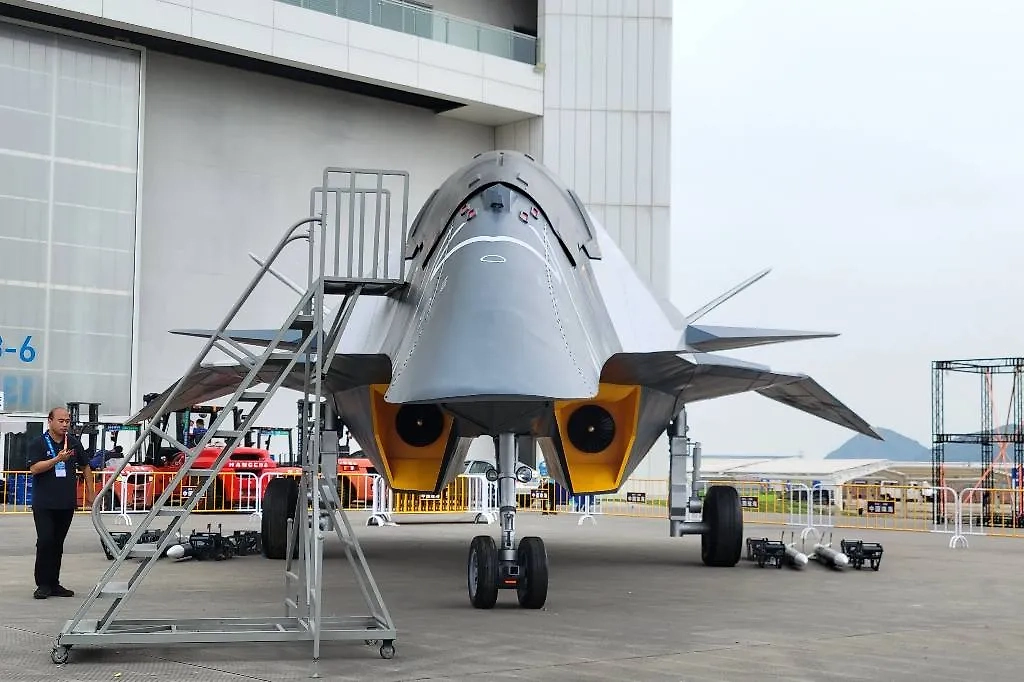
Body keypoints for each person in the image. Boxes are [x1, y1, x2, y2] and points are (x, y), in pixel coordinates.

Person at [27, 406, 95, 599]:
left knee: (58, 543)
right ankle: (42, 583)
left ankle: (54, 583)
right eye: (61, 421)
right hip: (44, 504)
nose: (65, 425)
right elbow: (34, 468)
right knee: (45, 541)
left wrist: (91, 492)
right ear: (50, 421)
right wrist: (57, 459)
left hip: (65, 503)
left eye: (68, 421)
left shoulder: (73, 443)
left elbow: (85, 466)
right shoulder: (39, 443)